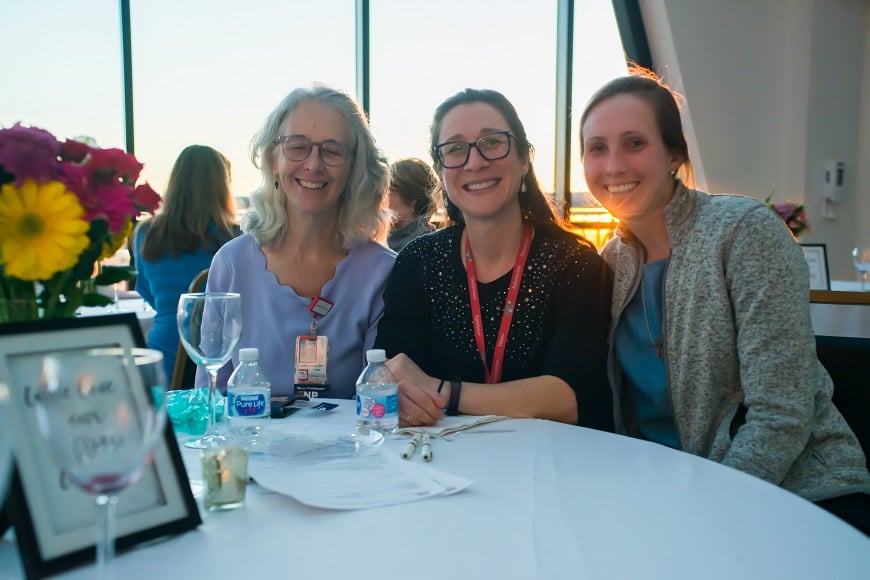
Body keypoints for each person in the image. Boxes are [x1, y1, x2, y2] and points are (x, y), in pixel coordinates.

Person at [578, 67, 870, 533]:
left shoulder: (742, 231)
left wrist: (709, 512)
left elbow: (781, 414)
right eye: (597, 148)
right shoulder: (610, 262)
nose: (613, 166)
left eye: (635, 143)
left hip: (798, 495)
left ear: (674, 153)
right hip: (674, 494)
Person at [375, 88, 613, 431]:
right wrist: (395, 393)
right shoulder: (419, 262)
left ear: (524, 158)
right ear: (441, 171)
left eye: (492, 142)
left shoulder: (573, 263)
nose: (475, 162)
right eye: (455, 149)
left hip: (546, 466)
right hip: (438, 464)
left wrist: (442, 392)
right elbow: (390, 369)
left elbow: (569, 398)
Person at [203, 84, 395, 398]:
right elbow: (210, 394)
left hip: (350, 447)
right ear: (273, 156)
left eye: (332, 150)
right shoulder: (232, 264)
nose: (313, 165)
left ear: (354, 167)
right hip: (248, 444)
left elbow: (378, 402)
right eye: (297, 146)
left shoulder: (382, 273)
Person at [133, 144, 239, 379]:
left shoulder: (146, 234)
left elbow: (145, 290)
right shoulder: (236, 239)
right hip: (221, 356)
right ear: (222, 186)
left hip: (166, 357)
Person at [386, 157, 441, 252]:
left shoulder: (426, 248)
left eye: (389, 192)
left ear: (412, 200)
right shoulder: (383, 242)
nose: (382, 200)